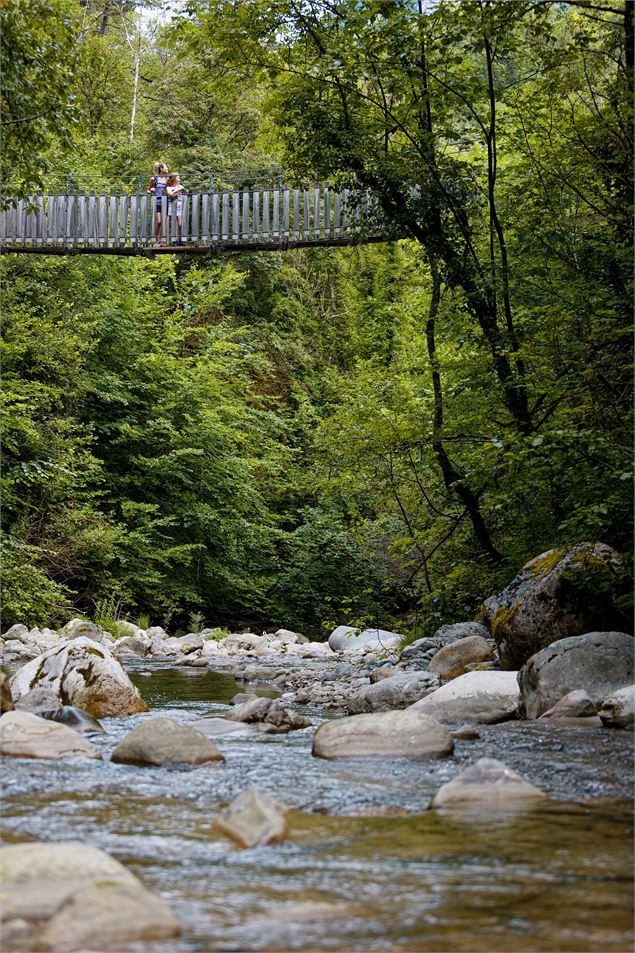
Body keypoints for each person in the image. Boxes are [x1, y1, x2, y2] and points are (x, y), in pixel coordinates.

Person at [147, 162, 169, 246]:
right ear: (161, 169)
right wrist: (151, 190)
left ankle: (163, 241)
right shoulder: (154, 179)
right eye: (166, 167)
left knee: (165, 222)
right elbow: (148, 190)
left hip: (166, 202)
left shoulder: (167, 180)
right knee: (159, 221)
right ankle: (157, 241)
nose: (167, 169)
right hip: (157, 201)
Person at [167, 173, 188, 246]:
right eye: (178, 178)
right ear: (173, 179)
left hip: (180, 207)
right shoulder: (169, 187)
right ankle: (174, 240)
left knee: (180, 224)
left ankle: (180, 239)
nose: (180, 179)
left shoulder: (181, 186)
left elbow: (186, 192)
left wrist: (182, 190)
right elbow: (171, 195)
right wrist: (179, 191)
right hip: (172, 207)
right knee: (173, 224)